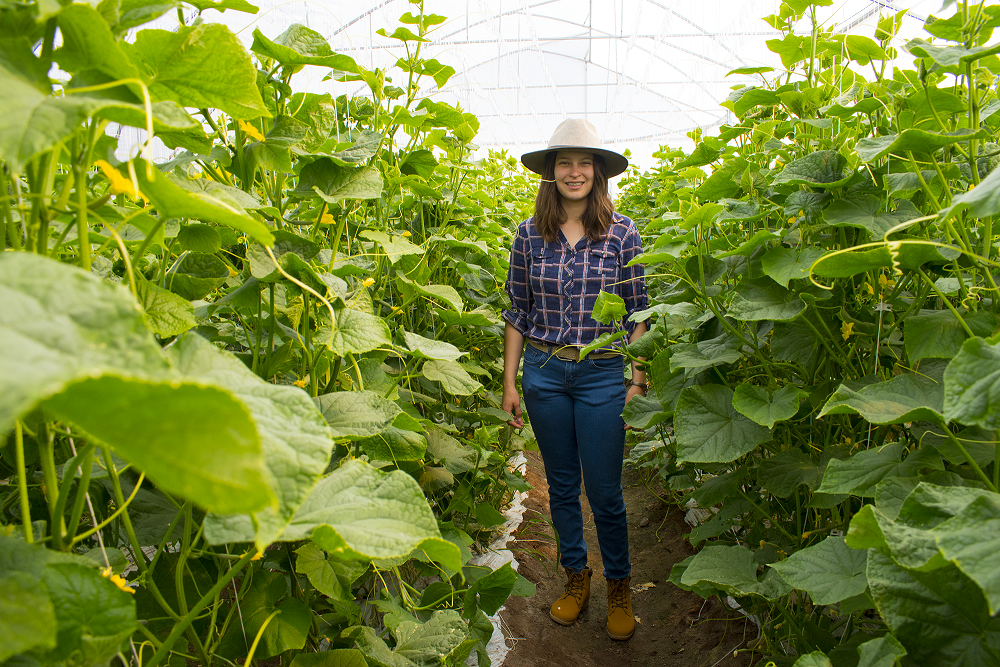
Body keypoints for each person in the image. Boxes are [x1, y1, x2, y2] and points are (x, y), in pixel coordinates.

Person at [501, 118, 648, 641]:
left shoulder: (622, 233)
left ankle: (620, 587)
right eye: (564, 161)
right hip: (543, 372)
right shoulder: (528, 235)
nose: (574, 171)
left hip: (602, 374)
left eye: (585, 162)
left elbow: (637, 313)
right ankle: (574, 577)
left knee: (605, 491)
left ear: (599, 172)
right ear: (550, 172)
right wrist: (511, 382)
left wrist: (636, 377)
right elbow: (518, 311)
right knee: (562, 486)